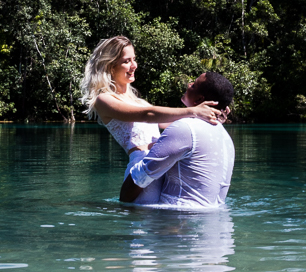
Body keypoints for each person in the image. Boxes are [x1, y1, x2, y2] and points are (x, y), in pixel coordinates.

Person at [80, 36, 224, 204]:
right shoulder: (104, 100)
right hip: (142, 166)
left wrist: (211, 117)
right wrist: (193, 110)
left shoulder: (139, 101)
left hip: (160, 164)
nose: (134, 65)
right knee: (141, 227)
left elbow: (169, 124)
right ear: (111, 67)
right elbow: (146, 115)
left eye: (134, 59)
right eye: (127, 61)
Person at [120, 71, 235, 208]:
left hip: (176, 222)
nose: (189, 84)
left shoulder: (185, 128)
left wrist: (122, 207)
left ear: (199, 100)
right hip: (214, 223)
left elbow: (140, 178)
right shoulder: (225, 137)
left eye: (194, 85)